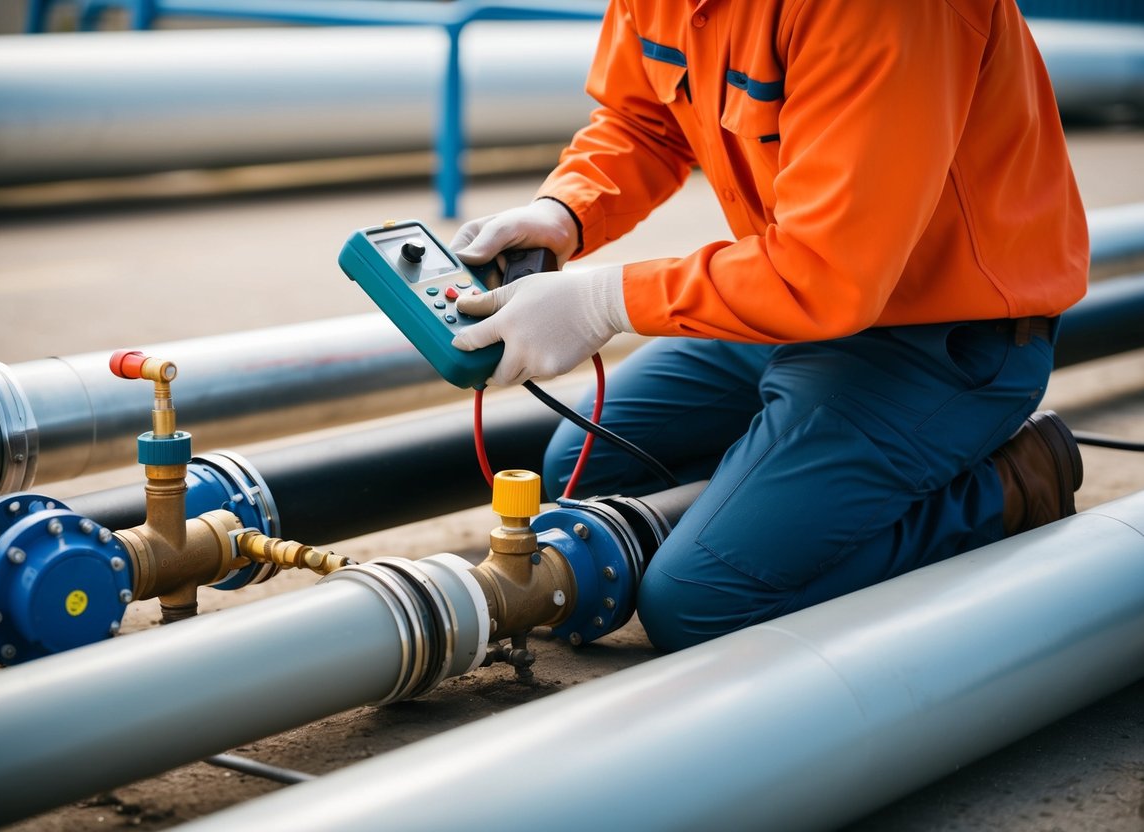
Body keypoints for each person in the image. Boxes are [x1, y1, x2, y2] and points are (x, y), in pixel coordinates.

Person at [449, 0, 1088, 651]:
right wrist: (565, 211)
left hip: (940, 335)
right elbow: (641, 121)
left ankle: (1004, 491)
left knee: (699, 603)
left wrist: (599, 302)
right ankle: (779, 505)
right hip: (789, 305)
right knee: (583, 469)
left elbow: (826, 271)